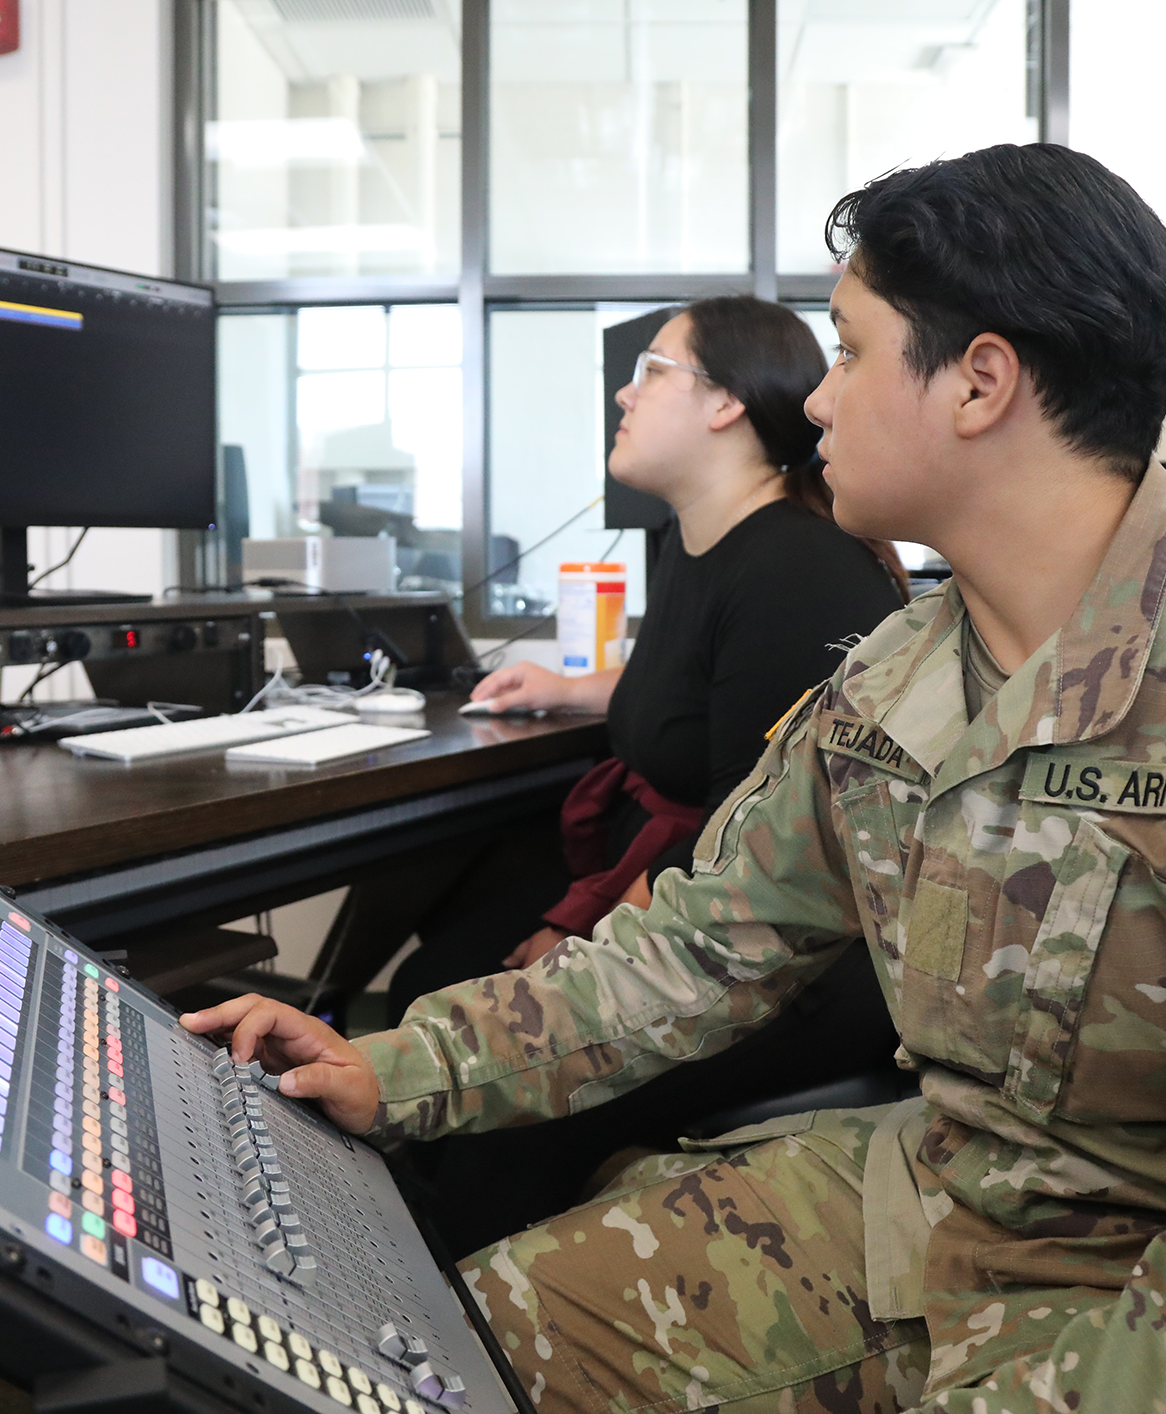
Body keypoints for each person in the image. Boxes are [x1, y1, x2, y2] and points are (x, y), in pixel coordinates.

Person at [183, 144, 1166, 1414]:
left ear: (979, 382)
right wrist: (395, 1065)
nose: (818, 398)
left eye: (849, 351)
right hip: (954, 1208)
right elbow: (692, 954)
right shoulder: (899, 676)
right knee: (440, 1357)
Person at [378, 296, 909, 1253]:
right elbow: (703, 682)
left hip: (785, 955)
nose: (624, 394)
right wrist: (572, 687)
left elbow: (748, 844)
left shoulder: (794, 569)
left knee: (507, 1113)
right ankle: (394, 1237)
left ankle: (453, 1287)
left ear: (726, 405)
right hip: (689, 892)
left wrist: (578, 938)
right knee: (429, 975)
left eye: (653, 371)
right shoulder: (696, 540)